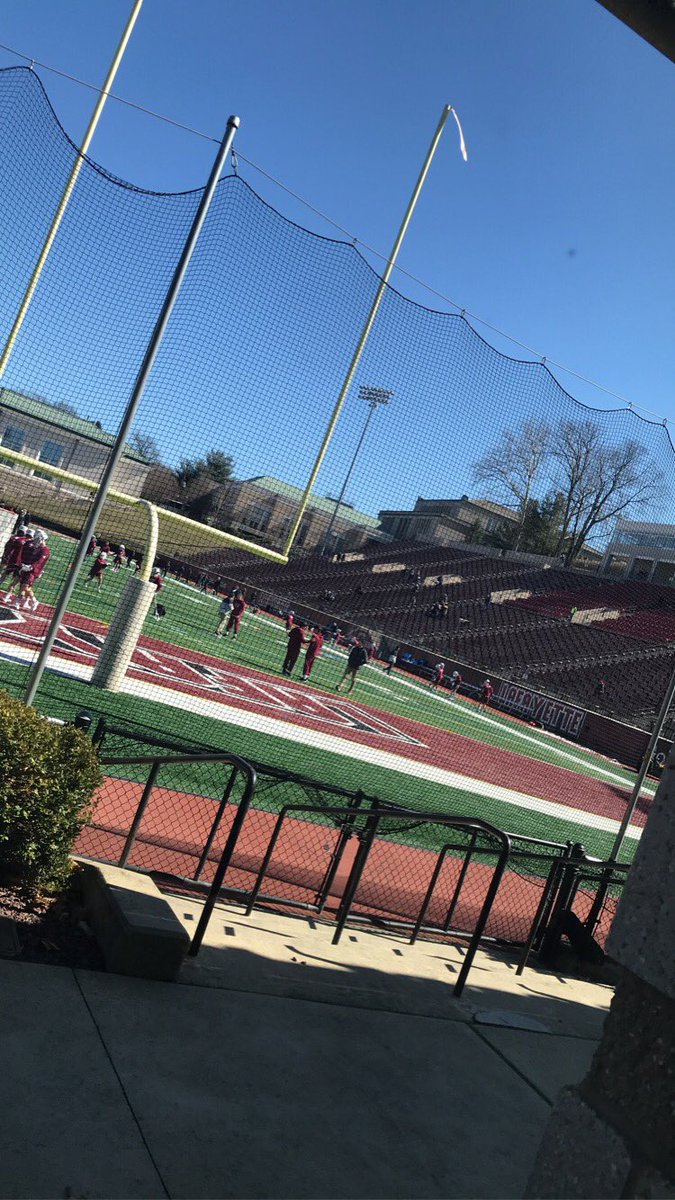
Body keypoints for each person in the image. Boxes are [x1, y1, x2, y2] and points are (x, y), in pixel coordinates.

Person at [15, 530, 50, 610]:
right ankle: (33, 601)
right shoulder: (35, 547)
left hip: (33, 571)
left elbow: (40, 562)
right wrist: (23, 564)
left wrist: (31, 567)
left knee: (25, 586)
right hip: (25, 568)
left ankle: (19, 600)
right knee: (24, 586)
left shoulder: (45, 550)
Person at [1, 524, 30, 598]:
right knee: (15, 580)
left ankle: (8, 594)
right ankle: (8, 595)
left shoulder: (14, 539)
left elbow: (7, 547)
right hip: (20, 563)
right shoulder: (27, 542)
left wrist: (5, 555)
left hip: (11, 560)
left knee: (4, 574)